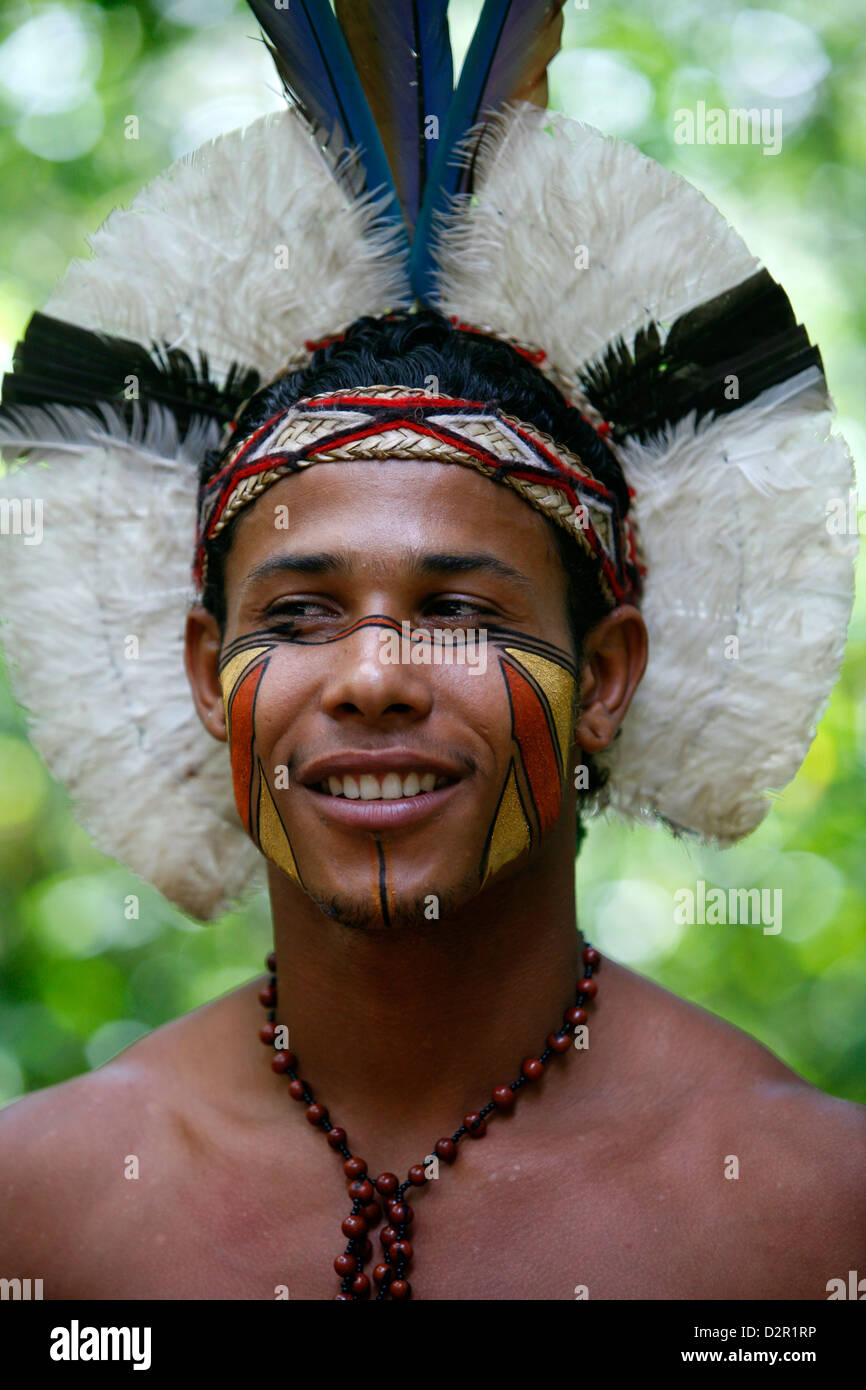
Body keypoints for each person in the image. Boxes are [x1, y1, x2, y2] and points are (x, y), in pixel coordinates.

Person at [0, 1, 863, 1300]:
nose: (370, 674)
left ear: (607, 675)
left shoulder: (807, 1215)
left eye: (459, 611)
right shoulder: (43, 1208)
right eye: (296, 615)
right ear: (201, 671)